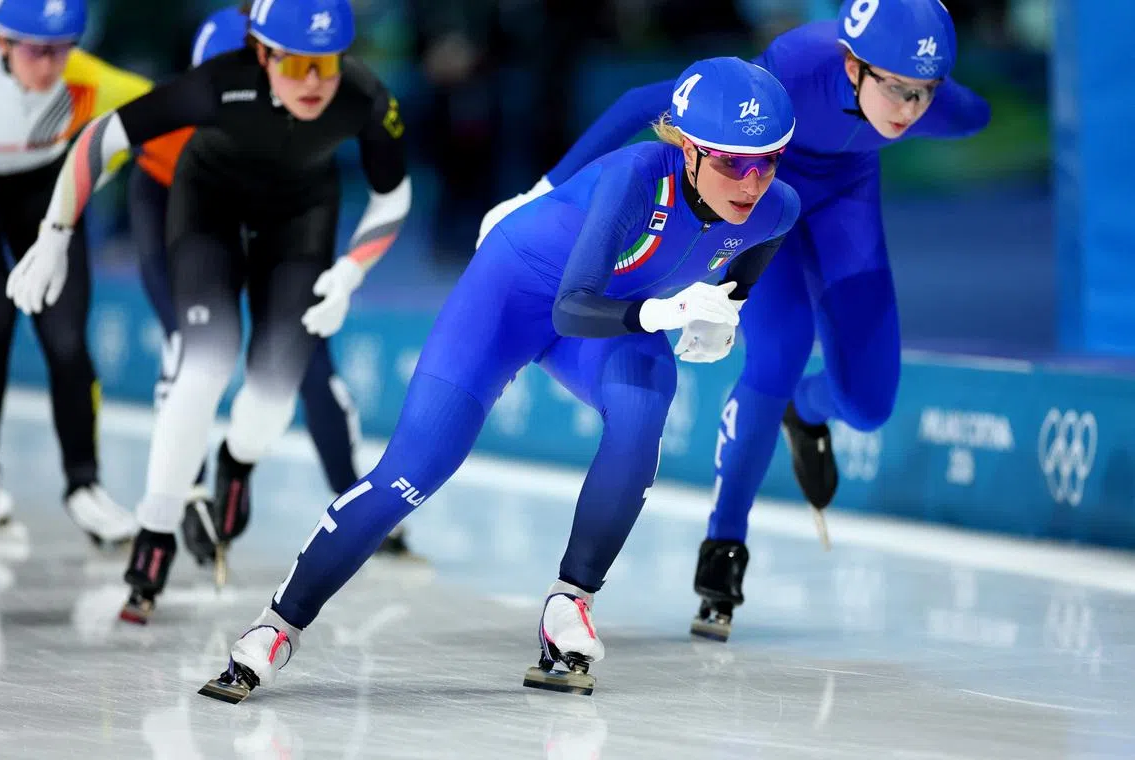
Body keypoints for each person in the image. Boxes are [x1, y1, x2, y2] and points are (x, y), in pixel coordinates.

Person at [198, 56, 800, 704]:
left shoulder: (777, 209)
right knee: (414, 471)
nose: (753, 181)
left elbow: (742, 270)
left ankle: (570, 602)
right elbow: (571, 305)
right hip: (515, 295)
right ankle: (278, 624)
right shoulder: (634, 179)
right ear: (687, 150)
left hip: (611, 317)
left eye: (768, 161)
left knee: (644, 412)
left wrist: (724, 314)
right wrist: (668, 311)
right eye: (734, 163)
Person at [479, 0, 991, 641]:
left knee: (867, 405)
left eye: (924, 94)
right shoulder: (796, 70)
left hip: (845, 206)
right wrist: (544, 190)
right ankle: (725, 544)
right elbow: (647, 100)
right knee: (778, 352)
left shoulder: (923, 94)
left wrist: (950, 100)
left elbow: (974, 112)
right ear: (852, 64)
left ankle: (806, 409)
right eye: (896, 89)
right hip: (759, 207)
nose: (910, 109)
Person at [4, 0, 411, 622]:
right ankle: (155, 533)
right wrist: (56, 233)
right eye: (297, 64)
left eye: (326, 65)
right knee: (202, 367)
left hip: (299, 223)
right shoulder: (220, 84)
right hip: (208, 213)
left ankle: (237, 462)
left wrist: (353, 270)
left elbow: (393, 193)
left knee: (275, 395)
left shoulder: (364, 96)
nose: (312, 84)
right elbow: (99, 139)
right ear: (262, 54)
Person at [129, 5, 410, 563]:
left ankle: (352, 499)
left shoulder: (311, 94)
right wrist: (185, 494)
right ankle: (187, 496)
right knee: (192, 352)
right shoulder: (179, 126)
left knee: (304, 359)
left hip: (287, 212)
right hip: (193, 210)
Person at [0, 0, 151, 548]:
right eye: (38, 51)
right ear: (1, 42)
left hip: (45, 195)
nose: (52, 67)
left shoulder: (87, 79)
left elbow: (164, 113)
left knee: (65, 341)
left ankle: (84, 485)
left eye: (64, 49)